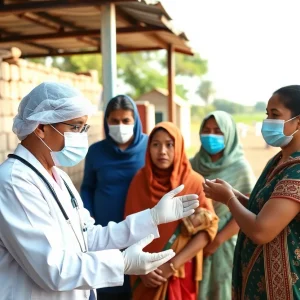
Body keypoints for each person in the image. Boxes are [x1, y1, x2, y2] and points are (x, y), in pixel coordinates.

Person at [0, 82, 200, 300]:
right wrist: (121, 263)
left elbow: (89, 236)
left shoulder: (59, 177)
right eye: (75, 127)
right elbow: (53, 269)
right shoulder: (14, 183)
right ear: (41, 127)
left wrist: (152, 217)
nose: (81, 136)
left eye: (83, 128)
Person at [203, 85, 300, 300]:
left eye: (275, 115)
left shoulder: (297, 171)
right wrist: (234, 195)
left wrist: (228, 199)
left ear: (298, 121)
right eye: (267, 115)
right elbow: (263, 211)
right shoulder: (278, 161)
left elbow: (261, 231)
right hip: (258, 282)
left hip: (284, 288)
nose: (268, 122)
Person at [125, 122, 219, 300]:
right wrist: (141, 268)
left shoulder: (194, 182)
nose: (162, 151)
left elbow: (208, 229)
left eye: (169, 144)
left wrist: (172, 265)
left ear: (180, 146)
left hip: (180, 272)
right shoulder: (139, 181)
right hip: (143, 272)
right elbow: (128, 229)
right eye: (156, 144)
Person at [81, 94, 147, 299]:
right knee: (107, 286)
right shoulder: (96, 152)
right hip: (104, 234)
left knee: (138, 285)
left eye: (126, 121)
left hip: (140, 232)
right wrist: (87, 221)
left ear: (135, 121)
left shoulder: (150, 147)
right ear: (106, 122)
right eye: (114, 121)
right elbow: (87, 188)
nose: (120, 126)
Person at [190, 111, 256, 300]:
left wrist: (216, 241)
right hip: (195, 240)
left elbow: (246, 211)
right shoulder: (194, 164)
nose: (211, 135)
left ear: (229, 134)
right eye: (206, 130)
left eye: (218, 131)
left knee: (222, 290)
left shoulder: (240, 167)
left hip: (225, 244)